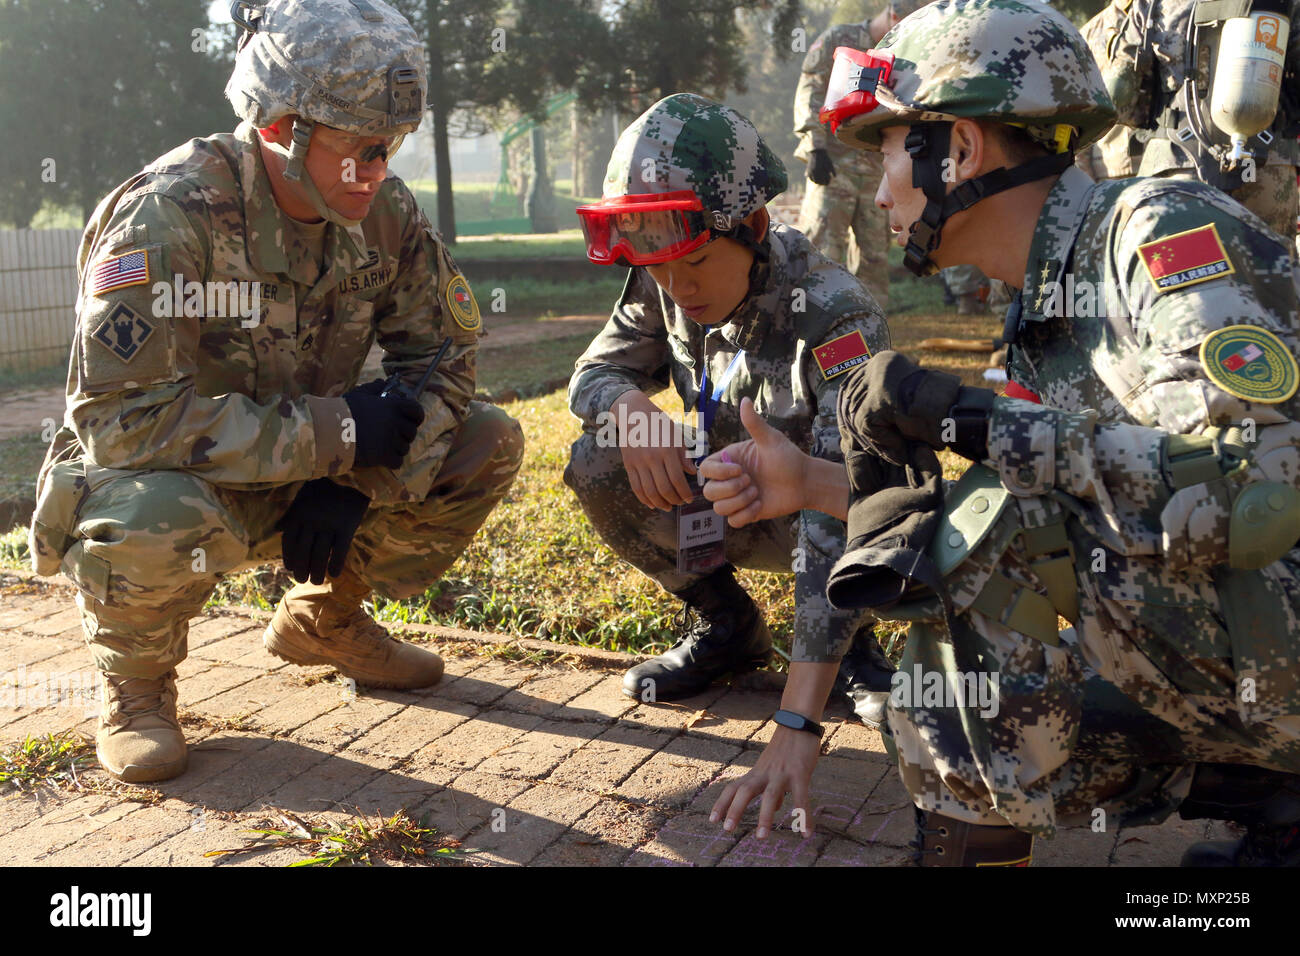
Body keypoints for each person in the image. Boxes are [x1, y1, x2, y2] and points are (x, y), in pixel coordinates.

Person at [706, 0, 1300, 866]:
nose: (877, 194)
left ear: (960, 148)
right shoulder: (1047, 294)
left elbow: (1258, 489)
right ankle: (1269, 794)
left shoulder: (1158, 235)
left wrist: (972, 420)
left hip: (1272, 628)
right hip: (1245, 640)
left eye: (887, 154)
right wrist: (815, 484)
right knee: (957, 660)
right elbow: (1078, 479)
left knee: (971, 578)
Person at [27, 0, 524, 783]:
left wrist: (360, 481)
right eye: (360, 146)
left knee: (484, 442)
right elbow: (118, 423)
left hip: (316, 479)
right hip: (192, 486)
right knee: (144, 513)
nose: (380, 169)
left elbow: (444, 356)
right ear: (282, 126)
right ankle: (136, 691)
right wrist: (337, 436)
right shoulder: (168, 217)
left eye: (390, 145)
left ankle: (324, 619)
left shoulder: (382, 212)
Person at [565, 93, 896, 724]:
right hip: (725, 499)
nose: (679, 288)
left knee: (846, 488)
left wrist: (803, 699)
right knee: (597, 459)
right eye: (657, 269)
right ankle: (729, 627)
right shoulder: (663, 272)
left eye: (695, 263)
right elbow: (593, 373)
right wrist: (631, 408)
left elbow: (852, 492)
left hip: (820, 507)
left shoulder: (836, 315)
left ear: (755, 229)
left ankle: (853, 651)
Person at [1093, 0, 1300, 238]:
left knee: (1186, 270)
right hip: (1267, 169)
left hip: (1177, 170)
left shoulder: (1151, 4)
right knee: (1271, 269)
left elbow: (1119, 97)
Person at [793, 3, 922, 312]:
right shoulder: (840, 38)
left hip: (878, 169)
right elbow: (809, 91)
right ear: (894, 15)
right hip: (833, 166)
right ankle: (813, 317)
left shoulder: (905, 52)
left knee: (875, 255)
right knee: (823, 248)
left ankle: (869, 320)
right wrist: (814, 146)